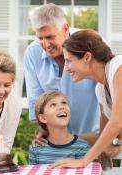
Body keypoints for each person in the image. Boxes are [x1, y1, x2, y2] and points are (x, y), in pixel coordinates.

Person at [23, 3, 99, 135]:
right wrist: (43, 129)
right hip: (57, 138)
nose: (45, 45)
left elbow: (111, 96)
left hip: (94, 137)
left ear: (65, 29)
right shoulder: (32, 53)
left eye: (50, 37)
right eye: (40, 38)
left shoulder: (93, 45)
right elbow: (36, 99)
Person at [52, 29, 122, 168]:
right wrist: (61, 139)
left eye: (69, 61)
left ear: (87, 57)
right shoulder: (100, 90)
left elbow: (116, 122)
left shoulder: (118, 66)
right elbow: (105, 135)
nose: (66, 68)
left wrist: (83, 161)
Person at [29, 91, 91, 164]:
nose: (61, 107)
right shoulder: (36, 148)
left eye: (64, 103)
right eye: (53, 105)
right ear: (43, 118)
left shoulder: (82, 147)